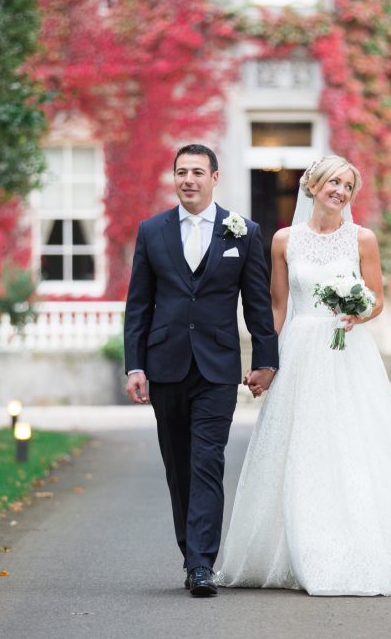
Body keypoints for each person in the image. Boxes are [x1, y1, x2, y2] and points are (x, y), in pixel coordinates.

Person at [217, 155, 391, 596]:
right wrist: (266, 359)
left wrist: (358, 309)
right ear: (313, 186)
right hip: (301, 349)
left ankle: (356, 547)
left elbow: (376, 298)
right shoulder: (284, 240)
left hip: (346, 352)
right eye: (333, 182)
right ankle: (294, 547)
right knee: (300, 444)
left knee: (351, 444)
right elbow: (278, 306)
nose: (340, 191)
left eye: (347, 186)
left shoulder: (363, 239)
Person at [123, 144, 279, 597]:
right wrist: (135, 364)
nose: (188, 179)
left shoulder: (242, 232)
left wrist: (265, 361)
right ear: (174, 179)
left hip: (216, 367)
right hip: (165, 365)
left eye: (197, 172)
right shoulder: (152, 232)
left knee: (207, 461)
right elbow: (139, 306)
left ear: (215, 177)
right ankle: (190, 551)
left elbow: (256, 303)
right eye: (180, 172)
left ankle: (201, 565)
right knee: (179, 467)